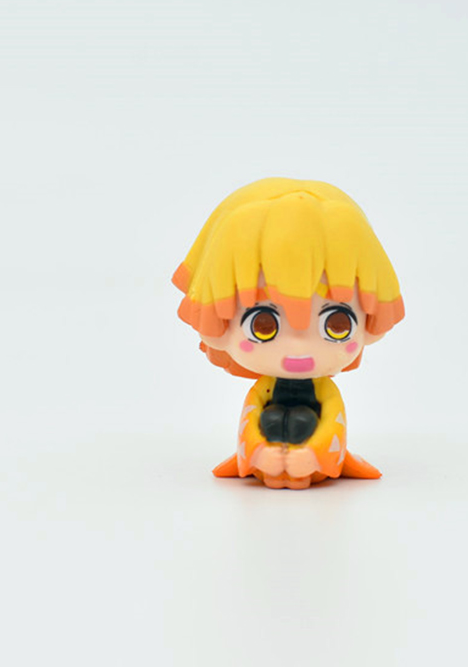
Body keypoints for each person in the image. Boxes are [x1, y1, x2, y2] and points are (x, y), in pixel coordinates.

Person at [172, 177, 404, 489]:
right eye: (263, 325)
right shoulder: (262, 393)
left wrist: (314, 455)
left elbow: (332, 424)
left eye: (337, 324)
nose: (298, 348)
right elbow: (250, 423)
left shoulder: (325, 395)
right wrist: (258, 453)